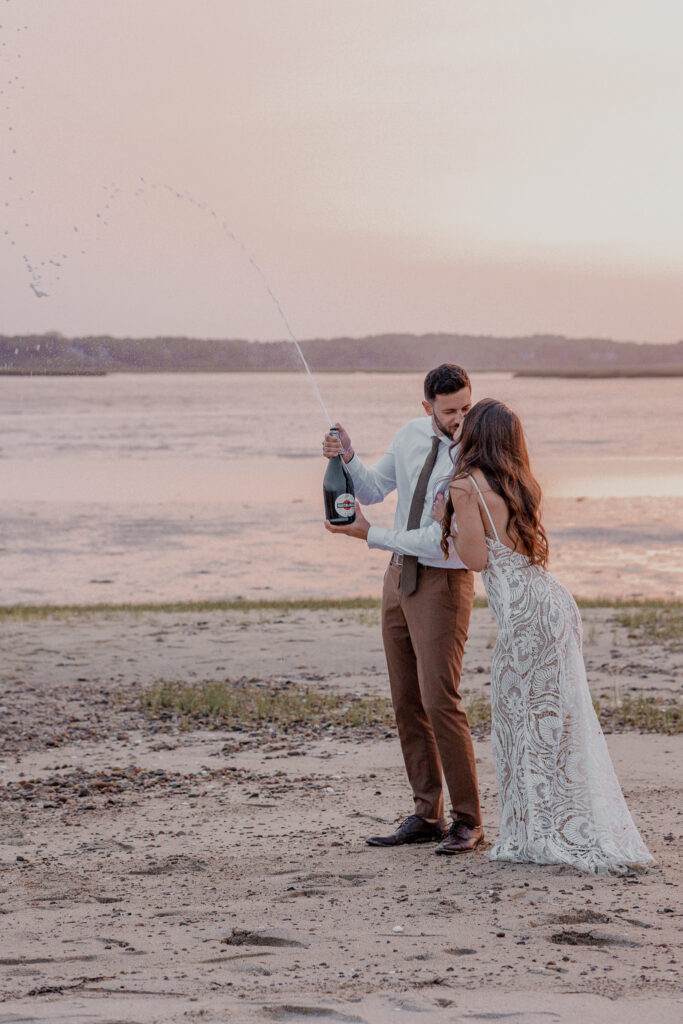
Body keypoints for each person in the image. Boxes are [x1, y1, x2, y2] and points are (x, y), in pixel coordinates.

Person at [440, 398, 654, 874]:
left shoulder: (464, 485)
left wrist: (448, 521)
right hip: (552, 601)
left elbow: (475, 559)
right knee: (556, 721)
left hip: (524, 615)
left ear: (475, 434)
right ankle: (556, 825)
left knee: (521, 721)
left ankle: (536, 833)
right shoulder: (519, 482)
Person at [323, 364, 484, 854]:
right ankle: (427, 814)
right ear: (427, 407)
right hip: (397, 577)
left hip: (444, 580)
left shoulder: (475, 453)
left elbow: (439, 541)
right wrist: (347, 456)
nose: (460, 418)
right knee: (406, 700)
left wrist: (368, 534)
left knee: (440, 700)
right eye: (450, 409)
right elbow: (372, 489)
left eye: (466, 407)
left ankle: (469, 822)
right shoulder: (410, 434)